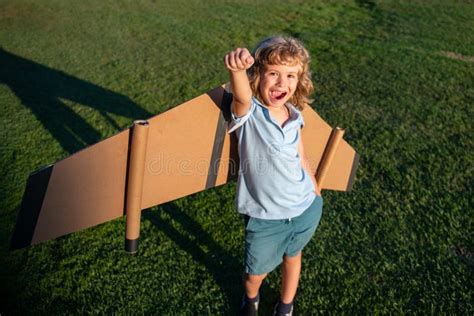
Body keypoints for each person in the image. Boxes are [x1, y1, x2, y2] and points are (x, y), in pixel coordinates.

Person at [224, 36, 324, 316]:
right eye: (274, 74)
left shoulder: (294, 114)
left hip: (305, 208)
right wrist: (237, 68)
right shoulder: (250, 113)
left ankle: (286, 306)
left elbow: (301, 155)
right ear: (258, 76)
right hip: (266, 218)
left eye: (291, 75)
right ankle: (252, 300)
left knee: (293, 257)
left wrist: (315, 190)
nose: (282, 84)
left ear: (299, 80)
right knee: (255, 273)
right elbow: (242, 95)